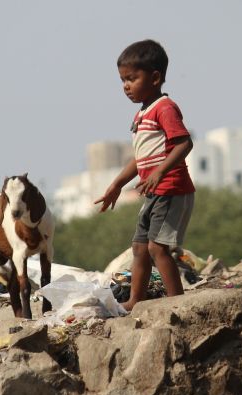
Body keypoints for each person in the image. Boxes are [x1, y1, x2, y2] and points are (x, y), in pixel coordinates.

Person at [94, 39, 195, 311]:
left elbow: (185, 143)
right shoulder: (142, 114)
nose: (126, 86)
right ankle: (135, 300)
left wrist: (161, 171)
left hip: (172, 190)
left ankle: (177, 303)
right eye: (122, 80)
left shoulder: (164, 107)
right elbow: (140, 159)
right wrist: (116, 184)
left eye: (132, 78)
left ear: (155, 77)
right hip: (154, 192)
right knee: (139, 248)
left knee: (157, 249)